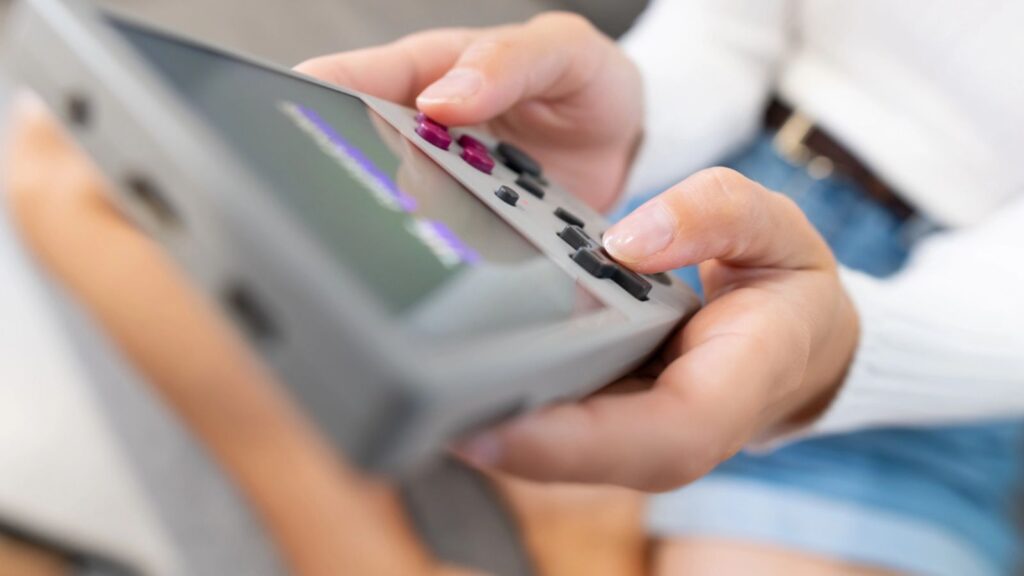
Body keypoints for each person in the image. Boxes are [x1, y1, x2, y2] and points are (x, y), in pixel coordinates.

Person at [5, 0, 1023, 574]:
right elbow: (729, 32)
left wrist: (836, 347)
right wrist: (615, 134)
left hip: (931, 359)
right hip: (664, 209)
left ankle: (562, 528)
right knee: (57, 153)